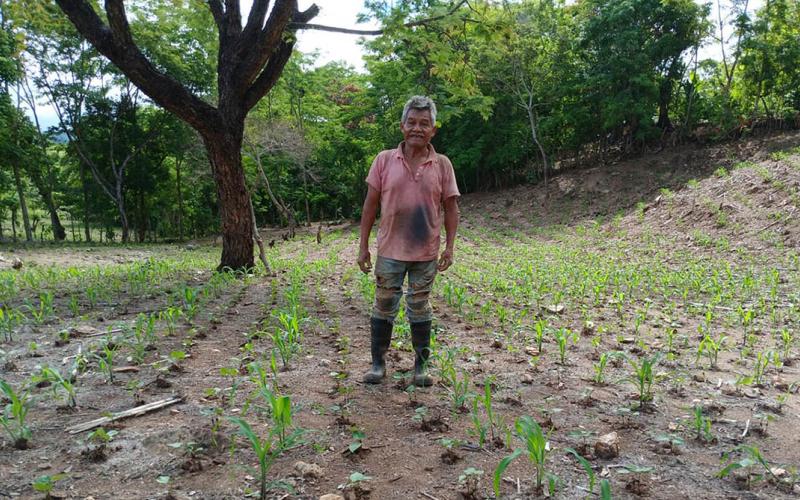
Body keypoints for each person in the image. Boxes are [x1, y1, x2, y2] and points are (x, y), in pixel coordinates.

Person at [357, 95, 460, 386]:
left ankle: (421, 368)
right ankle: (378, 364)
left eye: (424, 124)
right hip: (390, 250)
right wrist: (363, 245)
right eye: (412, 122)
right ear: (402, 126)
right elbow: (370, 205)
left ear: (433, 130)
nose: (418, 128)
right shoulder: (384, 160)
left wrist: (450, 247)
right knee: (384, 304)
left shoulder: (442, 165)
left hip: (426, 252)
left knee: (420, 306)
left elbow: (452, 209)